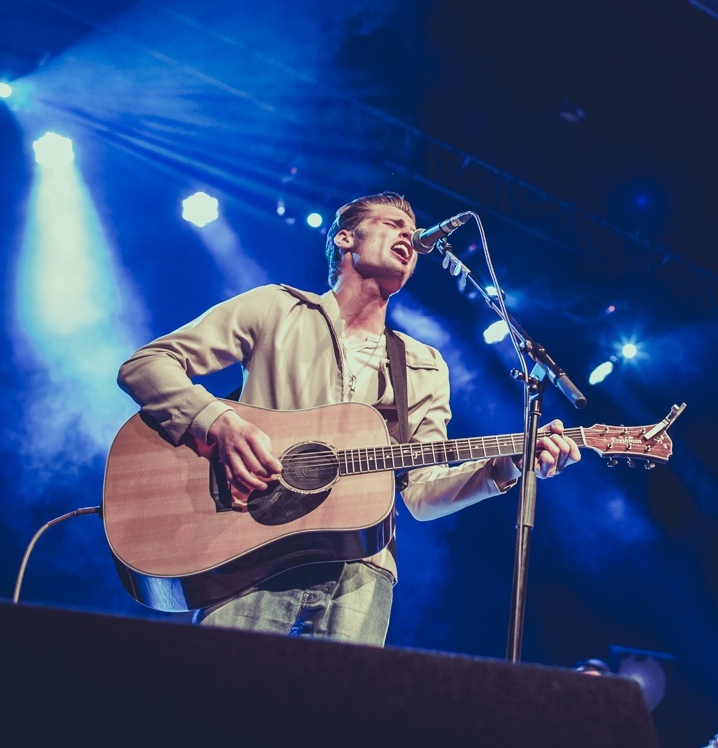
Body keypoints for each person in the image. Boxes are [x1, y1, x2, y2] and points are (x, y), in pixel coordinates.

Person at [117, 191, 580, 644]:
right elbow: (146, 366)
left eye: (412, 231)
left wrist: (511, 464)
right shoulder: (277, 309)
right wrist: (220, 423)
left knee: (341, 718)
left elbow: (419, 494)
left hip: (361, 574)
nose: (410, 235)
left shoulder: (423, 364)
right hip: (252, 550)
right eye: (392, 225)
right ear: (345, 240)